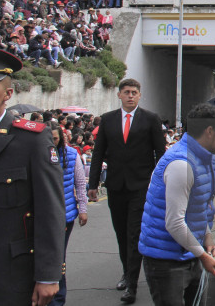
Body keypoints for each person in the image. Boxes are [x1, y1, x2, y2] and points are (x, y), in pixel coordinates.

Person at [0, 47, 65, 306]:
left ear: (8, 94)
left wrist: (48, 275)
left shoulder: (30, 140)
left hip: (10, 274)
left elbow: (50, 210)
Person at [88, 78, 167, 304]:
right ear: (119, 95)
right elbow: (98, 153)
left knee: (134, 234)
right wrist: (93, 184)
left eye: (134, 92)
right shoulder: (108, 120)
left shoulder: (151, 119)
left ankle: (131, 285)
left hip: (141, 186)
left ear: (140, 95)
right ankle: (126, 271)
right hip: (115, 186)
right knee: (121, 233)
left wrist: (160, 184)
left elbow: (160, 154)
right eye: (126, 92)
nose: (131, 95)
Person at [138, 104, 215, 306]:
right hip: (166, 260)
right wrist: (203, 255)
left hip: (190, 252)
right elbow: (174, 222)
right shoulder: (181, 164)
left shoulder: (203, 159)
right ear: (209, 131)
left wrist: (207, 237)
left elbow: (196, 209)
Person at [50, 125, 88, 306]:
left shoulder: (71, 155)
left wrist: (83, 209)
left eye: (55, 139)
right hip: (43, 216)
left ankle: (58, 297)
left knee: (58, 256)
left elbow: (80, 184)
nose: (52, 142)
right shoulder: (38, 153)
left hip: (64, 215)